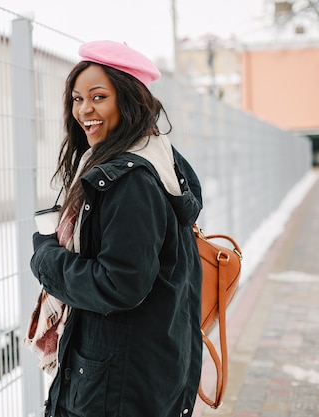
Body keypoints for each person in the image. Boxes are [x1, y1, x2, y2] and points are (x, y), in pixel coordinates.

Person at [25, 40, 204, 417]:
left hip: (116, 383)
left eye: (98, 96)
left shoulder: (130, 181)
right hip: (143, 364)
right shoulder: (159, 156)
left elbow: (119, 284)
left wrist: (46, 256)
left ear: (129, 100)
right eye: (76, 98)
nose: (84, 110)